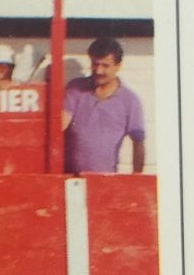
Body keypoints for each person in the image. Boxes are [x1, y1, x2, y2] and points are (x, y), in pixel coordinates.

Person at [62, 37, 145, 174]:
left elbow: (138, 142)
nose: (99, 71)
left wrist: (136, 181)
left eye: (105, 65)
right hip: (70, 179)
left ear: (118, 66)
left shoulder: (130, 100)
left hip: (106, 182)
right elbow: (60, 123)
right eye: (95, 64)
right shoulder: (75, 88)